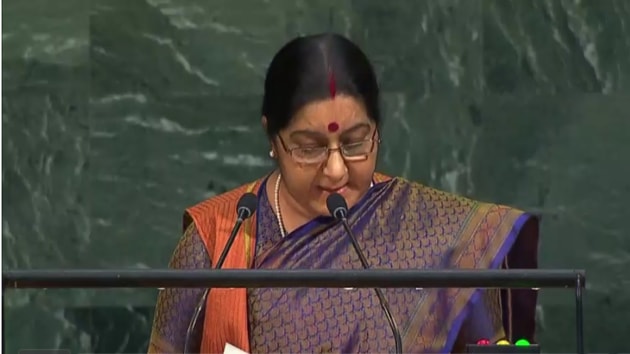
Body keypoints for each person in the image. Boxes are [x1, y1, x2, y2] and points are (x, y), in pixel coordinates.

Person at [147, 32, 539, 354]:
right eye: (309, 147)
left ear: (377, 130)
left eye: (355, 143)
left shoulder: (449, 237)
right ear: (272, 137)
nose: (335, 170)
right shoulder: (215, 238)